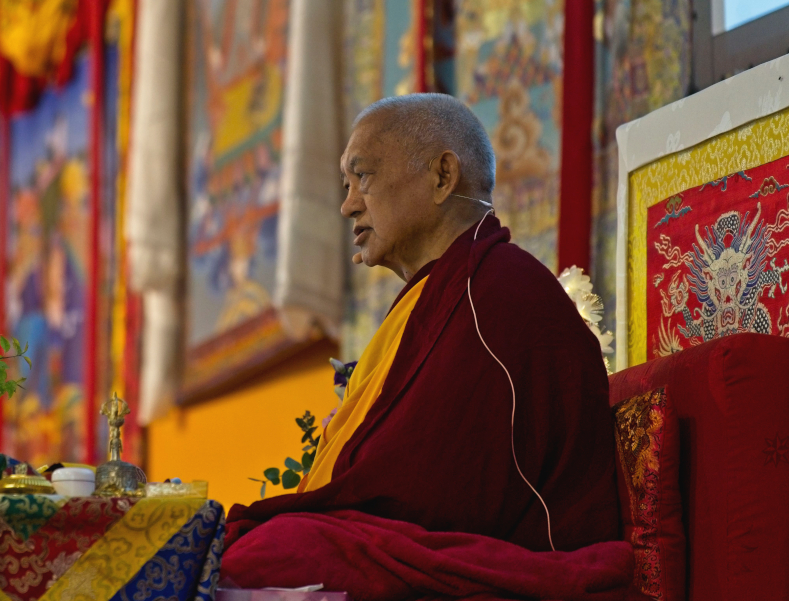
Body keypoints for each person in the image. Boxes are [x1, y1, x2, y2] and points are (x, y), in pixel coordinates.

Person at [221, 94, 636, 600]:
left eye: (363, 177)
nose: (348, 203)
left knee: (277, 551)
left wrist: (313, 516)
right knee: (265, 547)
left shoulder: (499, 293)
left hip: (528, 567)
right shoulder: (434, 297)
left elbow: (436, 494)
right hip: (444, 549)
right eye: (346, 185)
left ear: (442, 176)